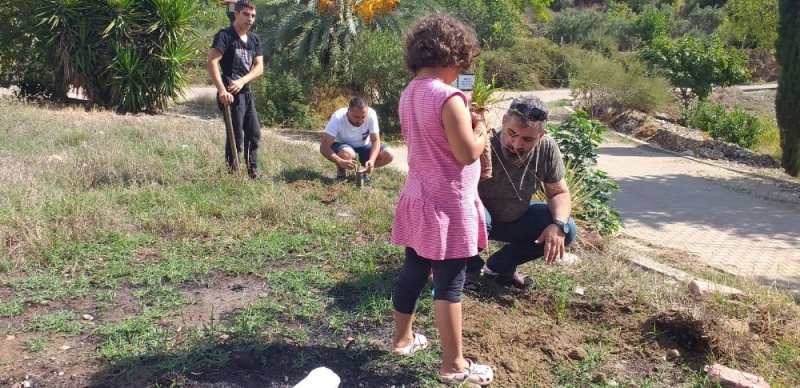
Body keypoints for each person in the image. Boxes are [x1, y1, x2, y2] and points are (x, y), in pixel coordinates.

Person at [390, 14, 494, 386]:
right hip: (448, 205)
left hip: (419, 197)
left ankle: (403, 338)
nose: (461, 71)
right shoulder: (448, 97)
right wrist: (481, 130)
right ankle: (454, 366)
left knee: (414, 271)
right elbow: (467, 153)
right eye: (462, 64)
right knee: (449, 284)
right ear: (452, 57)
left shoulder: (409, 92)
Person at [465, 96, 578, 289]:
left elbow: (558, 192)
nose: (516, 144)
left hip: (516, 219)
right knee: (475, 215)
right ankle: (467, 270)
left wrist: (558, 225)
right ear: (504, 121)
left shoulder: (547, 148)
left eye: (527, 139)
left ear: (541, 135)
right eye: (511, 133)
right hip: (477, 219)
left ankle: (501, 268)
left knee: (567, 229)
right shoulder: (482, 142)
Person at [207, 0, 264, 179]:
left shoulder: (254, 39)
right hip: (230, 95)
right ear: (236, 14)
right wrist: (222, 90)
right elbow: (212, 62)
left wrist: (243, 81)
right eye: (246, 14)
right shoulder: (225, 36)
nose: (250, 19)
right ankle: (233, 173)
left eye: (253, 16)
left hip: (246, 93)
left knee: (254, 133)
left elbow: (259, 67)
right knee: (236, 136)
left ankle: (252, 170)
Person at [319, 97, 394, 184]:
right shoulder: (337, 118)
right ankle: (341, 174)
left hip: (364, 146)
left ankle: (363, 172)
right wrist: (340, 161)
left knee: (389, 154)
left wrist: (372, 161)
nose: (360, 120)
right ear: (348, 110)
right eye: (356, 116)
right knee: (346, 153)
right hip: (343, 148)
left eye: (363, 117)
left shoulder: (371, 114)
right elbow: (324, 148)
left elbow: (375, 141)